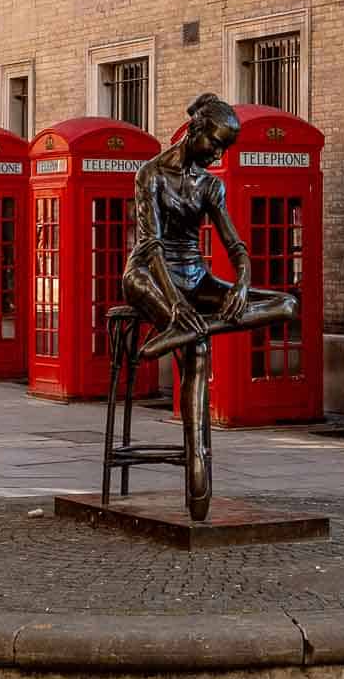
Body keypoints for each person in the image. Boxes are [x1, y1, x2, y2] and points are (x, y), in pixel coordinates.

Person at [122, 93, 297, 515]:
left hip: (197, 278)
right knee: (197, 348)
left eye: (226, 148)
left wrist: (241, 284)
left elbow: (234, 244)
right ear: (196, 130)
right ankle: (198, 461)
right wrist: (174, 304)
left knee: (287, 303)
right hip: (150, 276)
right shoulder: (150, 175)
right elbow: (150, 245)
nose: (219, 153)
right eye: (216, 143)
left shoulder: (210, 184)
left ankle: (190, 330)